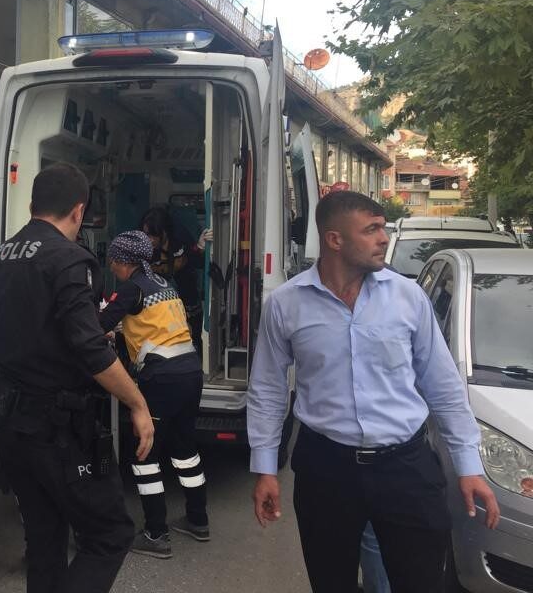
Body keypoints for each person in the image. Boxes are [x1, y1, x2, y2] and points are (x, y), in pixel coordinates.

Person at [247, 190, 500, 593]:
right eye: (371, 230)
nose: (384, 238)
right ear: (334, 239)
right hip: (326, 468)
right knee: (331, 582)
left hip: (405, 468)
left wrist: (468, 466)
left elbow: (443, 385)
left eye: (383, 228)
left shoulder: (407, 296)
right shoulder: (286, 304)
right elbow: (268, 389)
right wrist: (265, 469)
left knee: (421, 581)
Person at [0, 163, 155, 593]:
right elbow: (91, 349)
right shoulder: (70, 259)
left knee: (45, 537)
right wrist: (137, 403)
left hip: (12, 424)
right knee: (110, 533)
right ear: (79, 210)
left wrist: (29, 345)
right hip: (61, 430)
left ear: (33, 204)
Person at [98, 230, 209, 560]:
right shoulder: (164, 285)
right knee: (185, 449)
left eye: (114, 261)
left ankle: (156, 533)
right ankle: (198, 520)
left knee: (145, 454)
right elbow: (153, 327)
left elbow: (99, 324)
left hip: (162, 378)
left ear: (124, 261)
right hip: (190, 372)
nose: (112, 266)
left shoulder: (131, 288)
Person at [139, 207, 212, 355]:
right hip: (159, 309)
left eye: (153, 235)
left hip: (188, 304)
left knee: (191, 343)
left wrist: (201, 246)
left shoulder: (181, 243)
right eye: (146, 234)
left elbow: (197, 262)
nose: (149, 239)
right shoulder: (144, 251)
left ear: (164, 232)